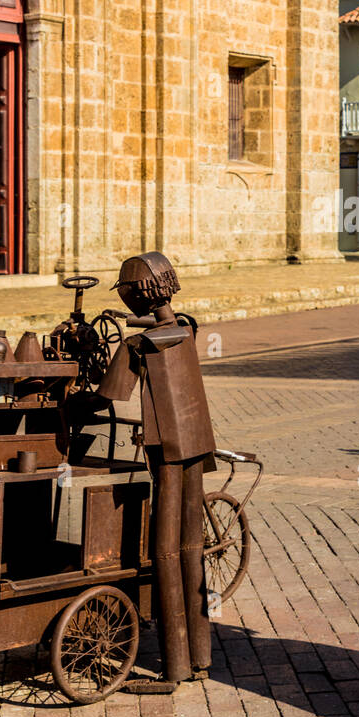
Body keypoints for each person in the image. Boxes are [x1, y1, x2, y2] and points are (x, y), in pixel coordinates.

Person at [95, 252, 215, 687]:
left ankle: (173, 668)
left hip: (166, 450)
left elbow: (108, 396)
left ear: (136, 295)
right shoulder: (188, 327)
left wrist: (74, 395)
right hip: (197, 442)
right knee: (192, 543)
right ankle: (200, 657)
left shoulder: (135, 345)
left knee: (164, 550)